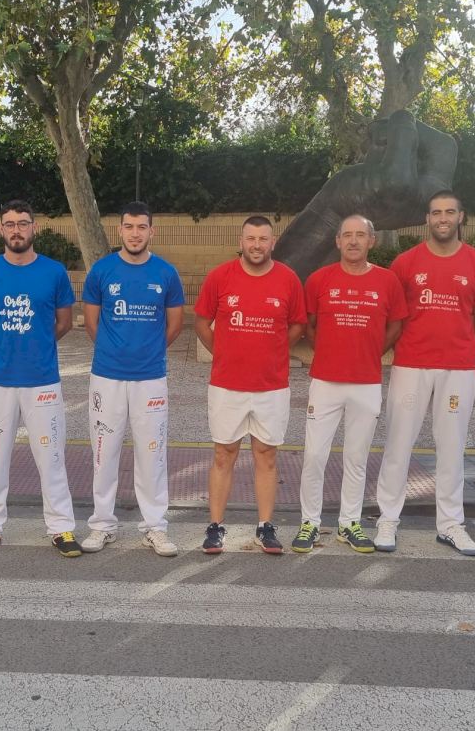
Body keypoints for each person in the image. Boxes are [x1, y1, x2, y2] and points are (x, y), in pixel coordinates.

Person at [374, 191, 475, 556]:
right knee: (398, 444)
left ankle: (450, 524)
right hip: (411, 365)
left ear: (461, 217)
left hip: (457, 369)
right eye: (436, 212)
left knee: (452, 447)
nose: (443, 218)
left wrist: (459, 346)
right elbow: (393, 315)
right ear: (427, 218)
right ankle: (388, 519)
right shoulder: (406, 262)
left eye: (449, 212)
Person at [0, 200, 80, 557]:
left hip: (42, 381)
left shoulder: (54, 272)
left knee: (51, 458)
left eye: (23, 223)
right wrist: (5, 347)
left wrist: (36, 346)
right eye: (10, 224)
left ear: (34, 227)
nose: (16, 230)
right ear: (1, 229)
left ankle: (61, 528)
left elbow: (63, 322)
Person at [194, 215, 306, 555]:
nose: (257, 245)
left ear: (273, 242)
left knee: (266, 456)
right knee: (223, 454)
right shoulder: (220, 277)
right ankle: (215, 527)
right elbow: (202, 322)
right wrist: (223, 352)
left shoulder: (288, 279)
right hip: (227, 384)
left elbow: (298, 325)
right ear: (241, 241)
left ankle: (265, 526)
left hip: (271, 386)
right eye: (251, 238)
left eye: (263, 239)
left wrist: (274, 351)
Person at [297, 214, 407, 553]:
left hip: (366, 383)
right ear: (338, 241)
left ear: (372, 241)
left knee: (356, 459)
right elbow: (309, 324)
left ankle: (349, 523)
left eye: (361, 235)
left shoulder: (388, 281)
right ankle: (310, 522)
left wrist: (373, 352)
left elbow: (396, 325)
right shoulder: (319, 279)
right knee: (314, 455)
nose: (354, 241)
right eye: (347, 235)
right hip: (325, 381)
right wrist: (326, 351)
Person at [81, 202, 185, 557]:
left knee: (152, 454)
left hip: (150, 378)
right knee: (103, 452)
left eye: (142, 227)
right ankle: (102, 525)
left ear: (152, 231)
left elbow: (175, 325)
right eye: (129, 227)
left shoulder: (166, 273)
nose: (135, 233)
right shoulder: (102, 270)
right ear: (120, 230)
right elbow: (92, 323)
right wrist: (115, 352)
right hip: (107, 377)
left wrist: (147, 352)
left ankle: (155, 527)